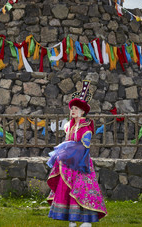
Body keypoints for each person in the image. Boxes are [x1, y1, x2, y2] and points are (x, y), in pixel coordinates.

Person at [46, 81, 107, 227]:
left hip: (81, 164)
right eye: (72, 108)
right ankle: (71, 219)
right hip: (68, 163)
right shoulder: (70, 126)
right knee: (67, 190)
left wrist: (68, 153)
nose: (72, 110)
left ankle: (87, 221)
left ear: (82, 111)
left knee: (82, 190)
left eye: (75, 108)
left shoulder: (86, 127)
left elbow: (84, 146)